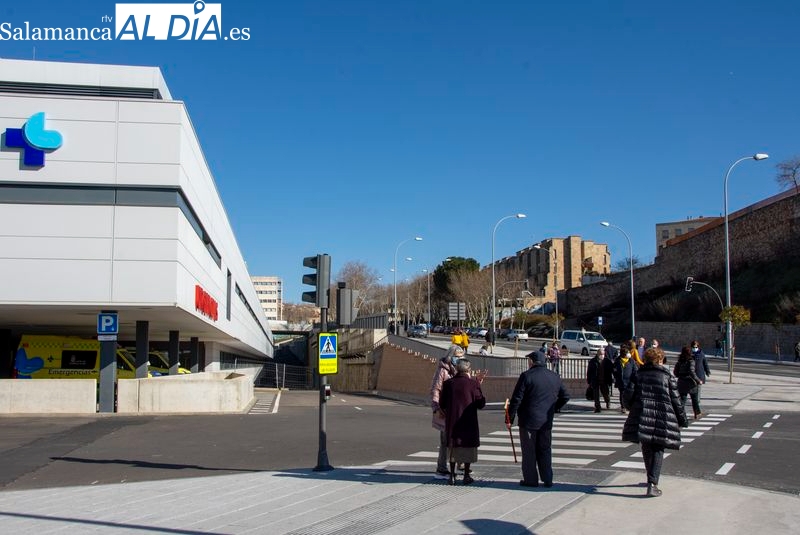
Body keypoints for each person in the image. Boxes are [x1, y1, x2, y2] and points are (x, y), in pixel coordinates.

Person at [622, 347, 689, 498]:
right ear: (660, 360)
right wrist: (682, 419)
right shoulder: (667, 376)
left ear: (645, 360)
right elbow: (676, 400)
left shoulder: (638, 375)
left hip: (642, 415)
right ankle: (653, 483)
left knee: (646, 447)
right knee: (658, 448)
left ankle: (650, 479)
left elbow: (627, 396)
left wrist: (633, 407)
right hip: (662, 416)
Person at [507, 353, 570, 488]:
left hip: (528, 421)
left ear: (532, 361)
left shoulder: (526, 376)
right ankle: (547, 479)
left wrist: (509, 418)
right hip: (546, 421)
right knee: (545, 449)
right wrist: (554, 409)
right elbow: (565, 396)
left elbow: (516, 399)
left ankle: (531, 480)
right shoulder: (554, 376)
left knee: (529, 451)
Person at [439, 358, 486, 486]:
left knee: (453, 448)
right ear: (468, 370)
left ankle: (452, 476)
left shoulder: (449, 383)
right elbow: (480, 403)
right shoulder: (473, 384)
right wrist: (479, 385)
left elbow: (442, 403)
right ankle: (466, 475)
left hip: (452, 420)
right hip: (468, 421)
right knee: (468, 447)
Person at [429, 347, 458, 479]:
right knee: (445, 440)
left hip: (458, 410)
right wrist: (436, 407)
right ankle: (441, 467)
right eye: (457, 355)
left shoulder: (459, 369)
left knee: (458, 439)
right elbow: (435, 389)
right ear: (450, 356)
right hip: (445, 410)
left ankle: (461, 464)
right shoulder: (443, 370)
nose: (459, 358)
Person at [673, 346, 702, 419]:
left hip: (681, 382)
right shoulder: (691, 361)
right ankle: (697, 413)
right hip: (690, 382)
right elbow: (692, 372)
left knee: (682, 400)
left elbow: (675, 372)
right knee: (694, 399)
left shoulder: (679, 361)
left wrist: (680, 375)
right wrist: (698, 380)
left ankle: (681, 415)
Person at [690, 340, 711, 419]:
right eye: (693, 347)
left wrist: (707, 371)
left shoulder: (701, 354)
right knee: (693, 390)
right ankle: (696, 405)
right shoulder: (690, 354)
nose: (694, 348)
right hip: (692, 376)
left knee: (698, 390)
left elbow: (705, 363)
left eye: (696, 347)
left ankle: (697, 402)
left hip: (699, 375)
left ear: (698, 347)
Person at [613, 345, 636, 413]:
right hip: (621, 381)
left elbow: (635, 370)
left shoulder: (631, 361)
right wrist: (616, 377)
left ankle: (629, 406)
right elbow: (614, 370)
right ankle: (623, 407)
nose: (629, 354)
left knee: (630, 394)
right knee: (622, 394)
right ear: (624, 354)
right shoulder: (618, 360)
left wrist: (633, 379)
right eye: (627, 353)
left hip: (630, 381)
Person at [587, 347, 611, 412]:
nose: (602, 355)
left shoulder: (607, 361)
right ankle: (598, 407)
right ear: (597, 354)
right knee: (596, 395)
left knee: (606, 394)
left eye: (603, 354)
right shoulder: (592, 361)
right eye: (600, 354)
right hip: (595, 380)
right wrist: (589, 381)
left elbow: (610, 371)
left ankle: (608, 402)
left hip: (604, 380)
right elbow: (589, 371)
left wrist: (610, 380)